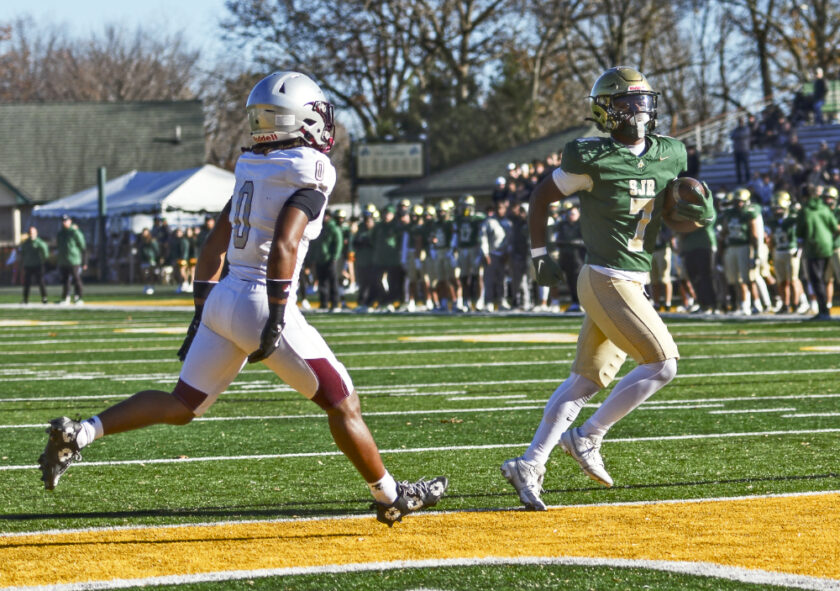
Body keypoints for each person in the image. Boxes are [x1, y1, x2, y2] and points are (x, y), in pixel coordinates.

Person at [37, 71, 447, 525]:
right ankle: (390, 495)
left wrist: (201, 309)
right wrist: (275, 316)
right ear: (298, 119)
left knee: (182, 405)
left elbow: (216, 241)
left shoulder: (253, 164)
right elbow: (287, 244)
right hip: (261, 300)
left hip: (224, 297)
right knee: (343, 403)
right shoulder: (310, 169)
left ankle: (82, 432)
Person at [500, 67, 714, 510]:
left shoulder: (671, 153)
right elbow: (540, 197)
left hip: (634, 276)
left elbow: (669, 220)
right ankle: (588, 437)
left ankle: (530, 463)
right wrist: (539, 256)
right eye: (627, 102)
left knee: (585, 380)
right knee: (663, 365)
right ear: (605, 110)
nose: (638, 110)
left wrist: (698, 215)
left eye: (643, 101)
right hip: (605, 276)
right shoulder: (589, 156)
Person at [797, 186, 839, 319]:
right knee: (829, 280)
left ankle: (823, 310)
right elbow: (834, 227)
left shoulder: (805, 210)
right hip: (829, 246)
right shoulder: (824, 208)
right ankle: (825, 308)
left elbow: (800, 231)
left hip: (813, 248)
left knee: (817, 280)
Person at [56, 214, 86, 304]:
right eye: (63, 221)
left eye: (66, 221)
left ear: (70, 221)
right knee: (65, 280)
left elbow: (83, 246)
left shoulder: (74, 232)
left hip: (74, 260)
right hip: (63, 260)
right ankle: (66, 297)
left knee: (76, 279)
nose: (64, 222)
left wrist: (84, 261)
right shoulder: (60, 233)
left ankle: (78, 297)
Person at [19, 225, 49, 304]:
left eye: (33, 233)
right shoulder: (26, 243)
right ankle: (25, 299)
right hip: (28, 265)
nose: (31, 234)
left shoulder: (39, 242)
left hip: (38, 265)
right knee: (27, 283)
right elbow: (22, 253)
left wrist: (43, 259)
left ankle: (44, 297)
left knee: (40, 282)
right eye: (30, 233)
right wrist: (23, 262)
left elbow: (45, 252)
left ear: (36, 233)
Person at [730, 116, 751, 185]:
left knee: (746, 166)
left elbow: (743, 135)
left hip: (744, 150)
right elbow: (732, 136)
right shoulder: (736, 129)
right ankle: (739, 181)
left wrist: (737, 135)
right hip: (737, 151)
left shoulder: (746, 129)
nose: (740, 123)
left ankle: (748, 179)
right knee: (738, 167)